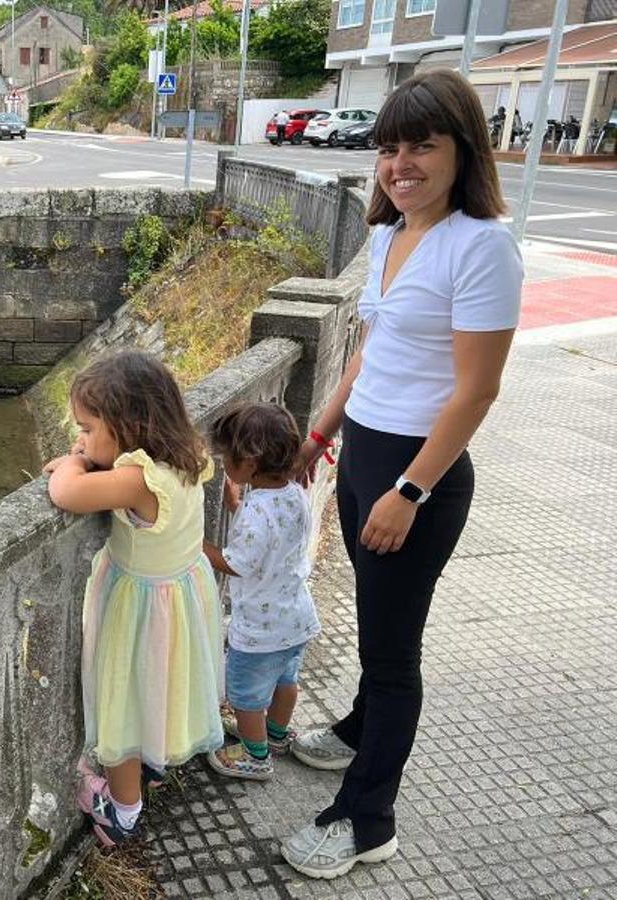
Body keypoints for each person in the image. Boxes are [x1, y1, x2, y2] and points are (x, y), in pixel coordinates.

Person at [281, 69, 523, 880]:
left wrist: (410, 490)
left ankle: (366, 816)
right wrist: (320, 433)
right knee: (379, 627)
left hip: (419, 474)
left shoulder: (482, 244)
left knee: (392, 655)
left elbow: (477, 389)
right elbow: (370, 355)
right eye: (389, 147)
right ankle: (355, 728)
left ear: (463, 151)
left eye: (423, 145)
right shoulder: (388, 234)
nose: (401, 163)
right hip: (365, 457)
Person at [43, 351, 224, 847]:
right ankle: (153, 763)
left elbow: (66, 493)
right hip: (180, 599)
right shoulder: (187, 455)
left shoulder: (138, 478)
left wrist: (76, 462)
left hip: (139, 610)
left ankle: (122, 811)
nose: (79, 440)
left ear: (128, 425)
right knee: (158, 689)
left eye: (85, 429)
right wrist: (88, 451)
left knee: (122, 704)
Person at [201, 402, 320, 782]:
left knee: (245, 696)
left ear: (250, 463)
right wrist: (237, 504)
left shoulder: (258, 512)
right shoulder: (294, 492)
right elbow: (271, 538)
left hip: (260, 629)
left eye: (226, 459)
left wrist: (198, 546)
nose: (223, 466)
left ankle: (255, 756)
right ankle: (277, 735)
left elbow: (239, 561)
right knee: (287, 680)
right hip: (295, 616)